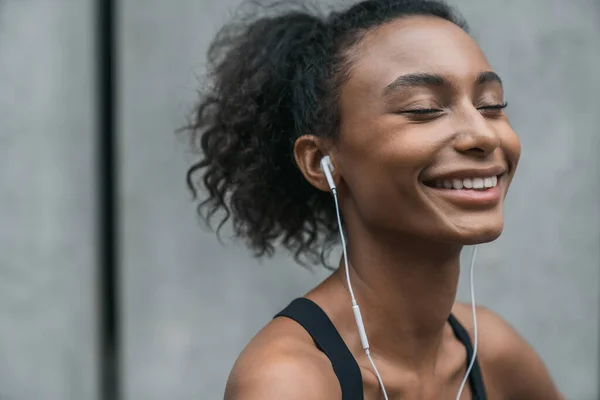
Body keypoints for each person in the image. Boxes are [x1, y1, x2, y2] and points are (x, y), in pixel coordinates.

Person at [184, 0, 564, 398]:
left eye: (491, 105)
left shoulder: (493, 354)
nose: (484, 135)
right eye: (425, 108)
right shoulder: (288, 382)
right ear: (320, 162)